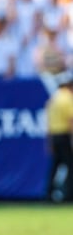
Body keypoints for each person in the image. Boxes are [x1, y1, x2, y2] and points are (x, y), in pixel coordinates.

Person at [45, 71, 73, 202]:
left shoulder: (53, 99)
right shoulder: (68, 98)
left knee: (55, 165)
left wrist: (49, 142)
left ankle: (49, 193)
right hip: (64, 135)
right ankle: (68, 194)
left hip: (55, 136)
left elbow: (48, 123)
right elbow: (70, 120)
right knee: (70, 165)